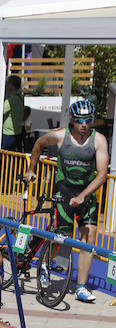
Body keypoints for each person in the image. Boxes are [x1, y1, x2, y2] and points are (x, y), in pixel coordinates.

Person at [23, 98, 109, 303]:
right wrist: (31, 169)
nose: (84, 124)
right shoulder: (61, 136)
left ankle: (81, 287)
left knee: (89, 238)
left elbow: (102, 174)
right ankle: (44, 263)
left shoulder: (99, 140)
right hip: (64, 189)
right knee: (63, 237)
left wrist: (83, 196)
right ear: (72, 120)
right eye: (80, 120)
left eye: (88, 120)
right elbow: (38, 144)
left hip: (86, 192)